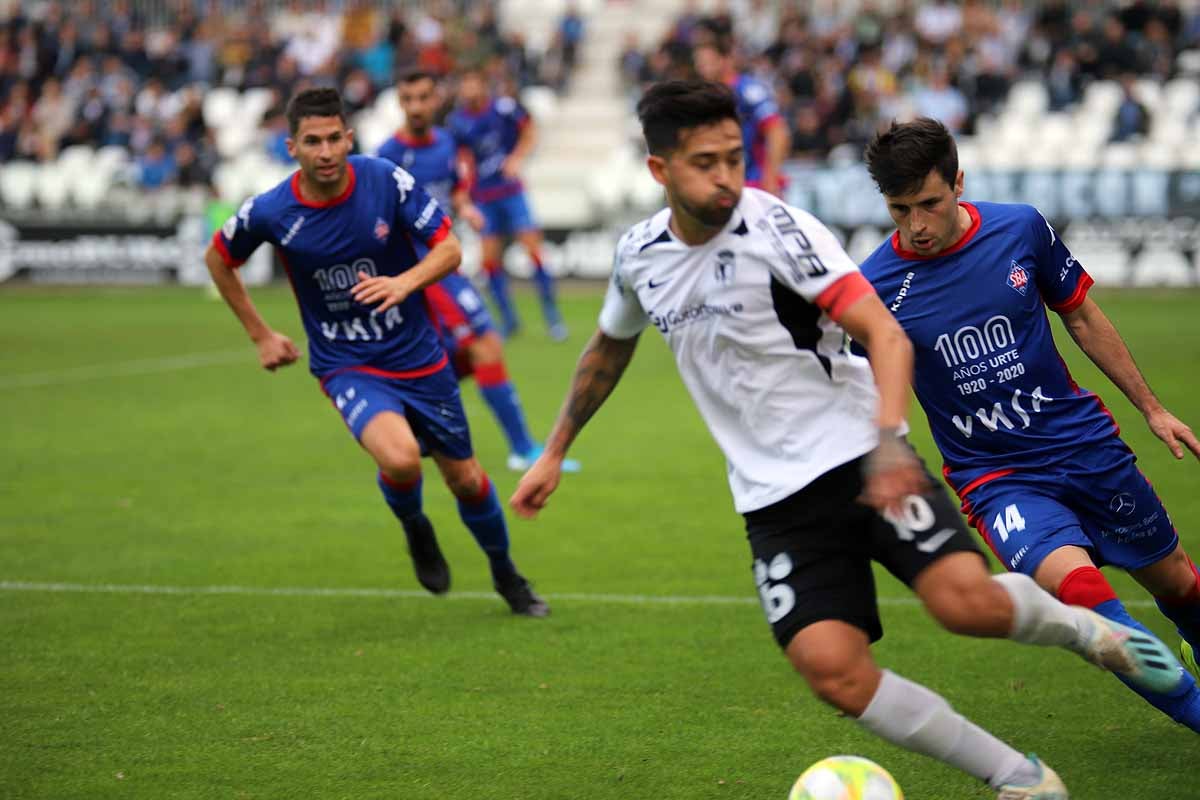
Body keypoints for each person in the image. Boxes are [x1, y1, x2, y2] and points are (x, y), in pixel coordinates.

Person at [509, 80, 1183, 799]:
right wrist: (553, 450)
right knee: (833, 671)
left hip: (862, 456)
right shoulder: (639, 255)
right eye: (706, 162)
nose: (727, 177)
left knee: (965, 605)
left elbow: (883, 333)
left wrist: (890, 442)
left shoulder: (780, 231)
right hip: (772, 496)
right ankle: (1021, 779)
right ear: (659, 171)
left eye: (735, 158)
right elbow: (606, 351)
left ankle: (1090, 633)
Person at [860, 117, 1200, 725]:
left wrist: (1152, 408)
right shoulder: (876, 287)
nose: (916, 225)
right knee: (1092, 611)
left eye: (929, 203)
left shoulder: (1020, 227)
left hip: (1083, 447)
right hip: (997, 478)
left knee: (1178, 584)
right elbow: (851, 383)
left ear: (958, 182)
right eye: (899, 209)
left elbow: (1083, 318)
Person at [203, 87, 548, 617]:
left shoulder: (385, 179)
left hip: (419, 356)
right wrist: (261, 335)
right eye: (311, 141)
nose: (325, 152)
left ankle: (506, 574)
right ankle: (416, 527)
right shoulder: (273, 210)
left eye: (333, 138)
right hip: (349, 364)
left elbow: (450, 248)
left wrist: (404, 283)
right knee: (402, 458)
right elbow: (219, 258)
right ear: (291, 146)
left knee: (468, 480)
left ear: (349, 137)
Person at [377, 69, 581, 474]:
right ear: (400, 103)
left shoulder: (447, 143)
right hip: (418, 272)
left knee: (458, 354)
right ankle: (522, 448)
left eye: (423, 97)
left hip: (445, 262)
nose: (416, 107)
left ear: (436, 99)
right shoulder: (387, 156)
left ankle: (411, 419)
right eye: (408, 99)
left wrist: (464, 206)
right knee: (484, 342)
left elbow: (452, 187)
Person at [446, 66, 566, 341]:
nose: (468, 90)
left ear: (483, 85)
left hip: (511, 191)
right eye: (464, 85)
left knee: (533, 250)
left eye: (473, 83)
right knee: (489, 260)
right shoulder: (457, 121)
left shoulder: (504, 108)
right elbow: (460, 158)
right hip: (483, 197)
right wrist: (463, 191)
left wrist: (517, 158)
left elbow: (529, 130)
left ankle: (553, 317)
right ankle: (509, 320)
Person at [692, 24, 789, 198]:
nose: (703, 69)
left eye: (708, 62)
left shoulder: (748, 90)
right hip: (723, 185)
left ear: (725, 60)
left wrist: (770, 177)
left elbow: (777, 131)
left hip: (754, 184)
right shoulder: (704, 96)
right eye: (700, 64)